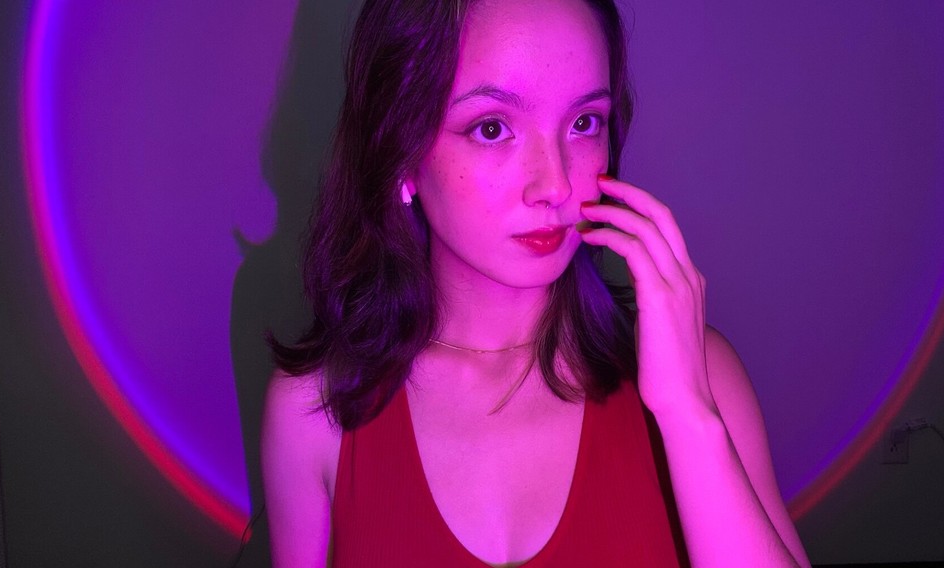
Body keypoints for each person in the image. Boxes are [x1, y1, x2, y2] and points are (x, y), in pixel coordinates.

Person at [261, 0, 811, 565]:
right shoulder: (315, 410)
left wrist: (688, 414)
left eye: (584, 123)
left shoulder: (703, 375)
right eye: (492, 128)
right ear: (400, 152)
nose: (556, 185)